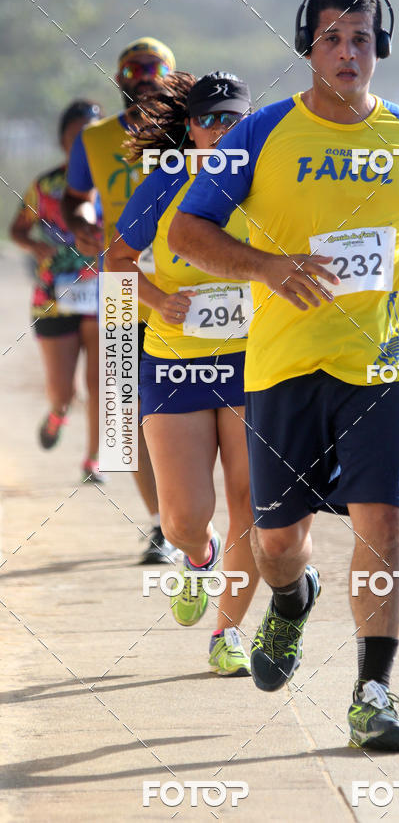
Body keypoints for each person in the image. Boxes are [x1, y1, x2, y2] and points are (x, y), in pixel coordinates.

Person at [168, 0, 399, 750]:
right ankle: (289, 601)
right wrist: (267, 266)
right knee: (279, 541)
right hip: (285, 367)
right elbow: (187, 232)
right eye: (331, 38)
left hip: (382, 367)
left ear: (379, 47)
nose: (348, 52)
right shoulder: (263, 136)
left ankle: (372, 693)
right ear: (307, 46)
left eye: (361, 38)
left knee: (384, 527)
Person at [106, 71, 259, 675]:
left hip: (255, 362)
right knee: (184, 518)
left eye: (232, 120)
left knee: (252, 503)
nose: (221, 131)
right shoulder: (165, 183)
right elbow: (116, 262)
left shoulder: (266, 185)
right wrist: (156, 300)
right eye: (209, 120)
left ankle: (228, 632)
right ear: (189, 129)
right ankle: (199, 559)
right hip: (175, 362)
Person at [61, 37, 178, 564]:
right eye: (135, 73)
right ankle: (160, 525)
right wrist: (84, 226)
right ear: (120, 81)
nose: (144, 81)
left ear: (172, 81)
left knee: (212, 411)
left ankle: (206, 519)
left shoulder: (188, 132)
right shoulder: (96, 139)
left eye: (155, 73)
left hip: (191, 290)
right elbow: (75, 200)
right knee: (126, 414)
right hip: (122, 290)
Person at [10, 99, 105, 483]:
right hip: (54, 298)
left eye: (92, 134)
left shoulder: (114, 182)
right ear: (63, 139)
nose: (84, 140)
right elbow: (17, 228)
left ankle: (94, 459)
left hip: (106, 294)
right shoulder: (45, 186)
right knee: (63, 392)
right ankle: (57, 414)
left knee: (102, 383)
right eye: (76, 134)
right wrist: (34, 246)